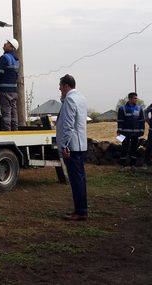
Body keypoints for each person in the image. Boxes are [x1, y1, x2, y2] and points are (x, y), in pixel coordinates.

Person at [56, 74, 88, 221]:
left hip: (72, 146)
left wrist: (64, 145)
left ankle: (80, 211)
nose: (59, 88)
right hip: (81, 144)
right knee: (80, 179)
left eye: (61, 86)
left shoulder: (69, 99)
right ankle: (81, 209)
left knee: (76, 180)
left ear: (66, 85)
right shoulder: (81, 98)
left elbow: (68, 125)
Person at [117, 92, 145, 169]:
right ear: (130, 98)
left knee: (134, 148)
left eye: (136, 98)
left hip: (135, 133)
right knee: (124, 148)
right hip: (124, 133)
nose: (136, 99)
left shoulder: (139, 108)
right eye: (135, 98)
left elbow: (142, 120)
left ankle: (133, 165)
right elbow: (120, 121)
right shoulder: (122, 108)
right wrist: (119, 131)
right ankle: (123, 165)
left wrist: (142, 130)